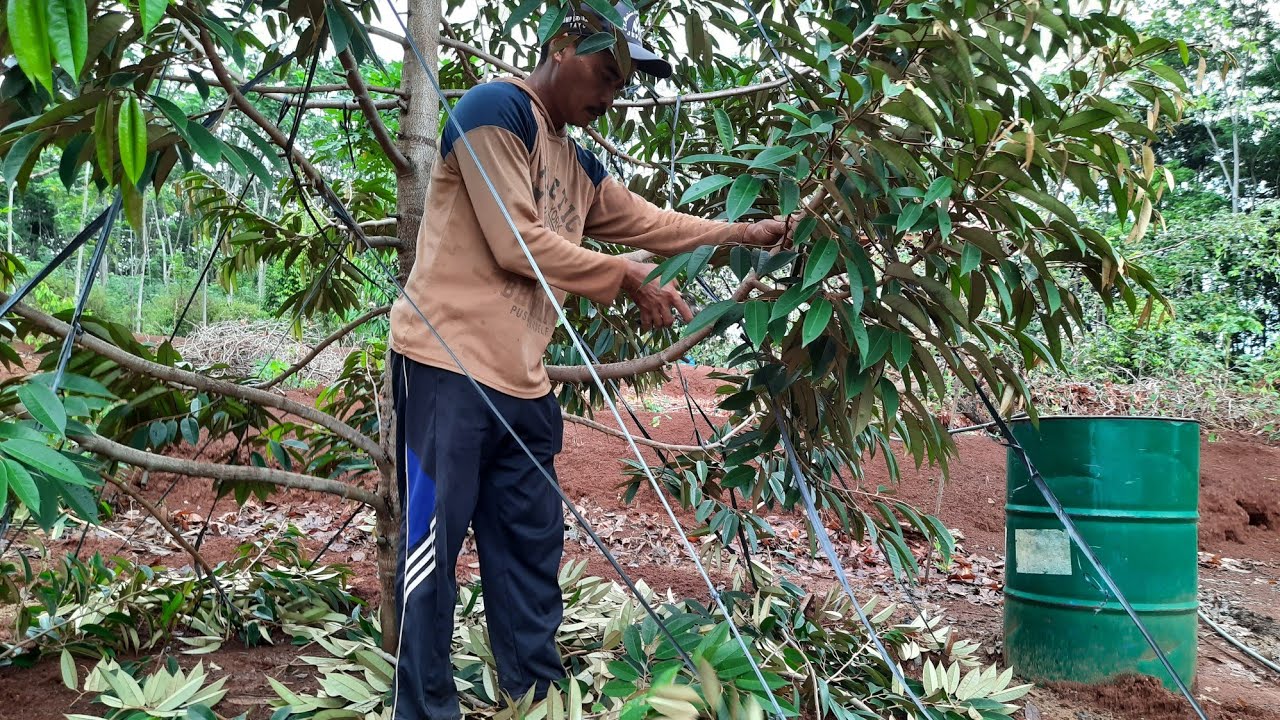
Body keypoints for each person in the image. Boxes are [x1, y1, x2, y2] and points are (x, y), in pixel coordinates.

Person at [386, 3, 790, 718]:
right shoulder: (492, 112)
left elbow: (651, 223)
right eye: (605, 74)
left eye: (620, 84)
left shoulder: (575, 162)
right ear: (560, 43)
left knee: (529, 559)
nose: (610, 97)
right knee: (432, 560)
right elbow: (517, 241)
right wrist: (622, 278)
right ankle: (424, 709)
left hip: (522, 385)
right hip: (445, 370)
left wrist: (748, 232)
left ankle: (535, 702)